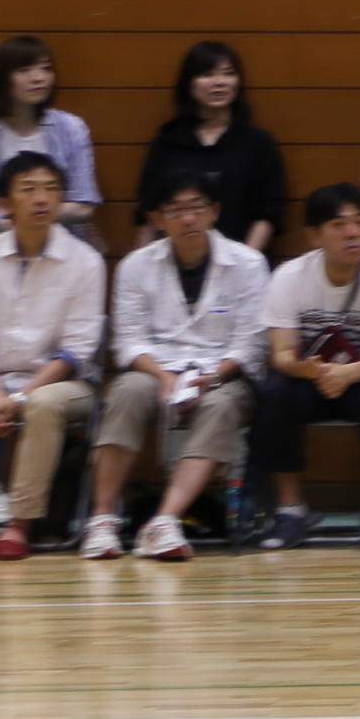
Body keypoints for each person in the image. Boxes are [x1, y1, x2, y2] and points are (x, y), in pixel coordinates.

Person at [87, 165, 270, 563]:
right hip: (157, 370)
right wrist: (162, 375)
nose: (189, 218)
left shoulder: (248, 263)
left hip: (223, 374)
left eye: (197, 207)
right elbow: (127, 341)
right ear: (157, 219)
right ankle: (101, 520)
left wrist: (211, 378)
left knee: (221, 405)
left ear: (214, 211)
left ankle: (165, 521)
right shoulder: (136, 266)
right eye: (176, 210)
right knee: (126, 391)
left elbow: (250, 344)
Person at [0, 154, 105, 558]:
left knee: (43, 405)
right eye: (28, 189)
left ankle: (19, 523)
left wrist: (21, 397)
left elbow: (77, 349)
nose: (41, 199)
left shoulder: (86, 261)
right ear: (4, 203)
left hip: (63, 383)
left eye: (51, 189)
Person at [257, 185, 360, 548]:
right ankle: (289, 508)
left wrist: (349, 374)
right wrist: (305, 369)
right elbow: (280, 354)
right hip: (309, 378)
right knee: (276, 390)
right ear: (314, 235)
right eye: (339, 225)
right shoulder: (289, 277)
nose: (353, 233)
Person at [0, 35, 103, 248]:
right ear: (2, 78)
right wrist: (42, 215)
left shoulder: (71, 128)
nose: (39, 78)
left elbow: (83, 205)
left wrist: (21, 213)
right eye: (24, 70)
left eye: (46, 69)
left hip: (63, 247)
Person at [141, 41, 289, 254]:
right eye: (207, 74)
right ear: (189, 83)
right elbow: (148, 212)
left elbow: (269, 212)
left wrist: (245, 262)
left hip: (241, 260)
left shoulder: (257, 143)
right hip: (175, 261)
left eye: (228, 73)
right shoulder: (167, 142)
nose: (219, 82)